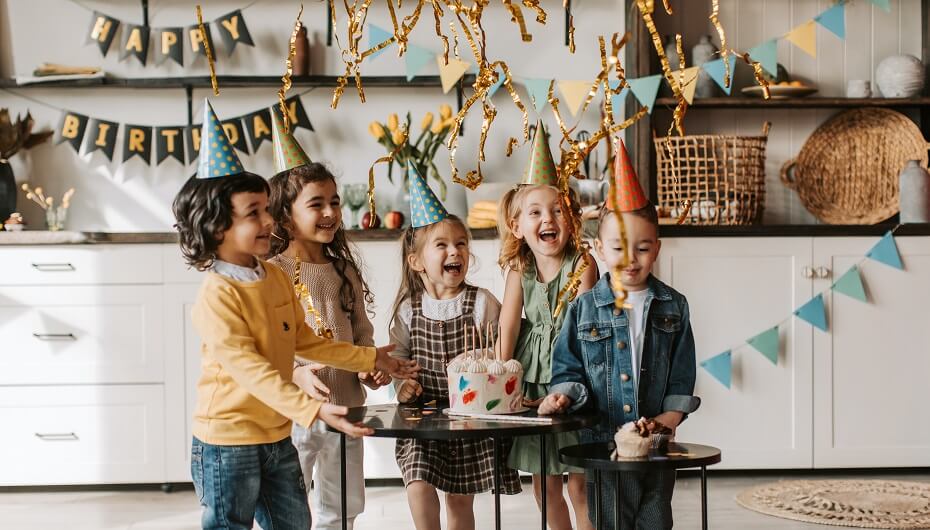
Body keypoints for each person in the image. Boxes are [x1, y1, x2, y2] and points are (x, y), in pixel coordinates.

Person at [175, 100, 418, 530]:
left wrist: (369, 359)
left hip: (274, 434)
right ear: (216, 228)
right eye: (255, 213)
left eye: (268, 209)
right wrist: (312, 409)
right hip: (229, 439)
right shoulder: (217, 294)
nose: (270, 220)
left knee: (294, 523)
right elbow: (251, 370)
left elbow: (304, 340)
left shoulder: (271, 277)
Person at [539, 139, 700, 530]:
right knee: (610, 519)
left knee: (656, 516)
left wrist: (671, 416)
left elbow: (682, 371)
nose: (630, 259)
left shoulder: (672, 306)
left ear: (657, 249)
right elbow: (568, 368)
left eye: (642, 248)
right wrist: (564, 395)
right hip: (605, 445)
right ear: (599, 248)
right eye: (618, 248)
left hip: (658, 442)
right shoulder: (584, 308)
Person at [266, 113, 387, 530]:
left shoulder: (343, 271)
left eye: (333, 201)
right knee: (289, 504)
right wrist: (297, 372)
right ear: (285, 218)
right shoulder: (272, 272)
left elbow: (361, 332)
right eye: (315, 204)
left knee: (343, 503)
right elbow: (267, 344)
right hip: (297, 410)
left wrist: (371, 366)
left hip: (348, 406)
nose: (330, 211)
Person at [390, 167, 521, 530]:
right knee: (417, 480)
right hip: (422, 420)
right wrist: (401, 386)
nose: (455, 251)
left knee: (460, 499)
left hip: (469, 418)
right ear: (416, 261)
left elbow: (501, 353)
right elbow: (398, 358)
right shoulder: (407, 309)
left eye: (461, 243)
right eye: (443, 245)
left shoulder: (482, 303)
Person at [497, 121, 597, 530]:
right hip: (531, 383)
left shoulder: (582, 264)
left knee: (579, 483)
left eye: (558, 210)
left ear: (571, 220)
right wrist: (500, 372)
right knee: (543, 482)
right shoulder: (519, 268)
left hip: (571, 378)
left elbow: (584, 325)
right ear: (518, 226)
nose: (548, 219)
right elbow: (507, 324)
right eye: (535, 212)